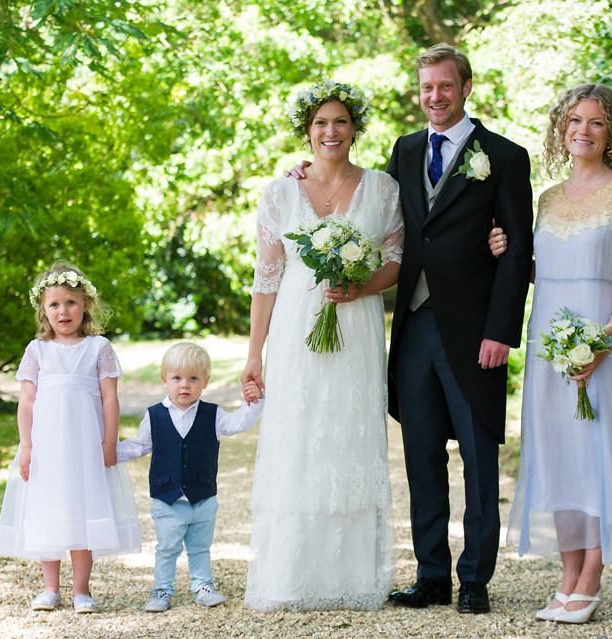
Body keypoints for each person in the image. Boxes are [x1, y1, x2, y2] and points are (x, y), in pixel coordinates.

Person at [494, 84, 612, 624]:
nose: (584, 131)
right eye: (575, 121)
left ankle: (591, 577)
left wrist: (604, 342)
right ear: (560, 129)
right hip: (548, 343)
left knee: (596, 454)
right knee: (556, 455)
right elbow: (537, 270)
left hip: (601, 345)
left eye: (596, 122)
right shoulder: (546, 198)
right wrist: (505, 250)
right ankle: (567, 576)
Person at [239, 79, 402, 611]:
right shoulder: (280, 192)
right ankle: (291, 575)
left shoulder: (383, 188)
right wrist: (253, 355)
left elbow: (397, 263)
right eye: (320, 123)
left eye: (340, 121)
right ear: (306, 131)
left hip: (356, 330)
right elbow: (266, 280)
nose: (330, 131)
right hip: (295, 331)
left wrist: (361, 286)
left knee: (349, 437)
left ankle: (350, 577)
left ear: (355, 127)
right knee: (299, 438)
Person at [384, 44, 534, 614]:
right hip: (415, 326)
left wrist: (501, 330)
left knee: (478, 458)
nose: (435, 97)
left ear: (466, 87)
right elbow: (376, 211)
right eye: (426, 87)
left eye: (445, 86)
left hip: (476, 333)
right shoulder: (403, 151)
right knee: (422, 458)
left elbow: (517, 249)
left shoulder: (504, 156)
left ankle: (474, 579)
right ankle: (431, 576)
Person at [0, 260, 142, 614]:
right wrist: (27, 445)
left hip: (84, 447)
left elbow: (109, 397)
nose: (64, 311)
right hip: (47, 446)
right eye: (55, 304)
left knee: (82, 509)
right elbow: (27, 401)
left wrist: (110, 439)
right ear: (44, 310)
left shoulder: (98, 348)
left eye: (71, 302)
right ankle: (49, 588)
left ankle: (80, 590)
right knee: (49, 508)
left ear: (86, 305)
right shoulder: (37, 350)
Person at [117, 342, 264, 612]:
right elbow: (139, 445)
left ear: (205, 381)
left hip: (203, 497)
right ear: (165, 379)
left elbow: (238, 424)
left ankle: (203, 586)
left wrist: (254, 403)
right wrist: (109, 452)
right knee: (166, 549)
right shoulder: (154, 416)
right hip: (168, 498)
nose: (185, 385)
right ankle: (161, 590)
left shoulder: (212, 414)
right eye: (177, 378)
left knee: (200, 547)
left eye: (193, 379)